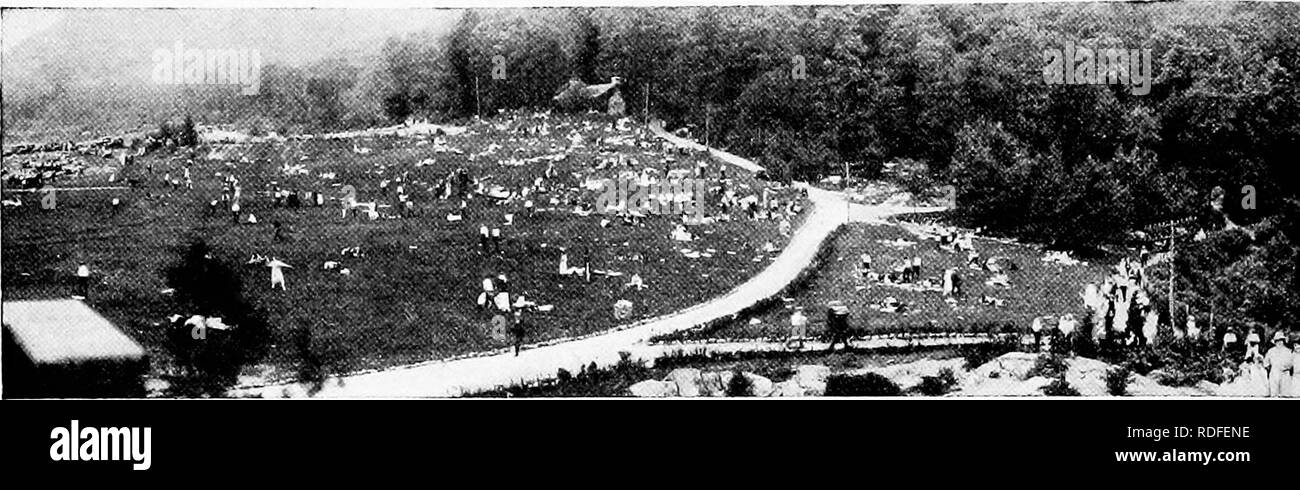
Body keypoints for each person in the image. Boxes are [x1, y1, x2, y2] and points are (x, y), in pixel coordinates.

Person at [1263, 331, 1293, 397]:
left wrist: (1286, 368)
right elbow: (1265, 363)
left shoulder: (1288, 351)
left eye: (1281, 340)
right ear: (1275, 342)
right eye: (1277, 341)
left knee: (1285, 393)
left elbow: (1291, 363)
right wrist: (1271, 369)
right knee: (1274, 393)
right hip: (1274, 372)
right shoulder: (1271, 351)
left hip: (1285, 373)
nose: (1279, 342)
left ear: (1283, 341)